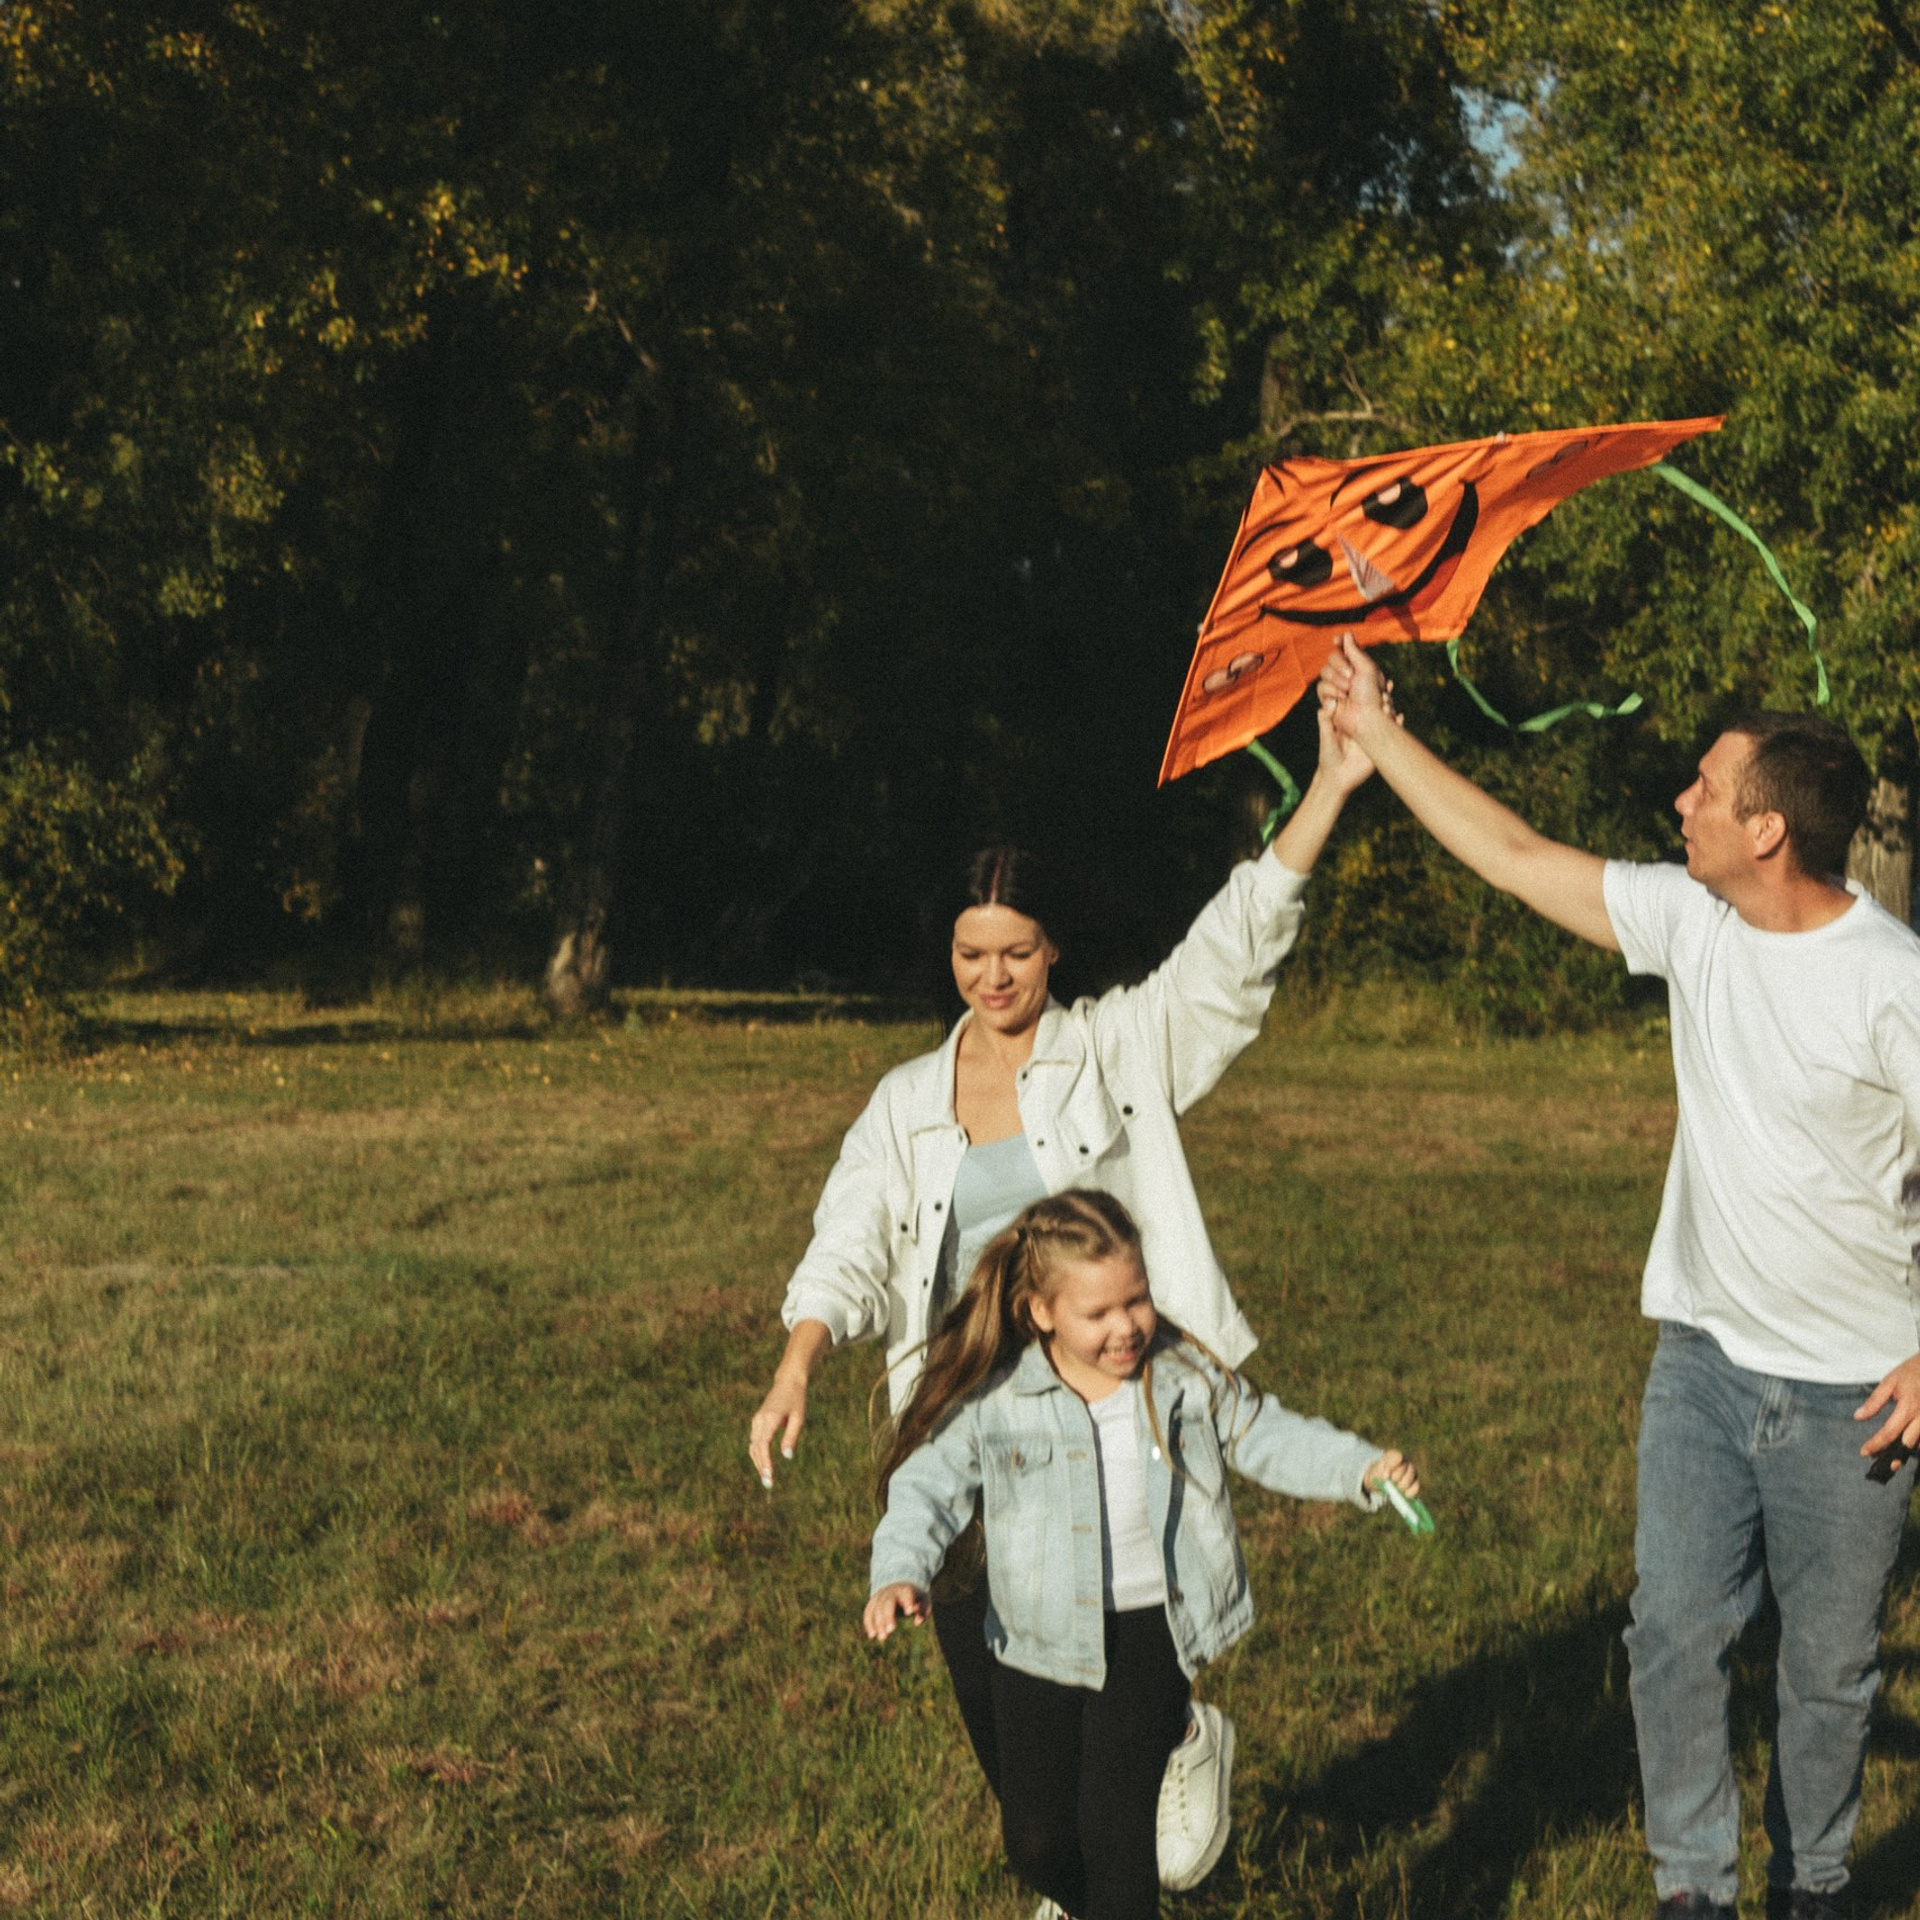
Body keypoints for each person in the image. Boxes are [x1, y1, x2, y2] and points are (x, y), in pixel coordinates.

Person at [1319, 633, 1920, 1920]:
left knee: (1827, 1675)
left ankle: (1812, 1886)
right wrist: (1378, 735)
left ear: (1769, 831)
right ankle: (1691, 1894)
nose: (1681, 803)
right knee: (1672, 1641)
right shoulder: (1692, 919)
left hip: (1853, 1400)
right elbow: (1520, 855)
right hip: (1701, 1366)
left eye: (1706, 788)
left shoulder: (1894, 985)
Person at [748, 702, 1381, 1889]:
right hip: (961, 1411)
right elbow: (850, 1233)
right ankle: (1084, 1858)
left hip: (1100, 1405)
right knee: (993, 1683)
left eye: (1018, 953)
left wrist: (1331, 790)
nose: (993, 978)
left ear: (1055, 950)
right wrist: (801, 1357)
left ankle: (1166, 1751)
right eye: (969, 953)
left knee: (1106, 1642)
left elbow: (1229, 957)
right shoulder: (906, 1098)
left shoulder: (1120, 1049)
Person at [864, 1189, 1421, 1920]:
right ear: (1040, 1313)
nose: (1127, 1327)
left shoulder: (1181, 1376)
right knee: (1037, 1845)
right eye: (1098, 1313)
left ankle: (1163, 1766)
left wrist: (1358, 1469)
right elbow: (925, 1489)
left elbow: (1265, 1433)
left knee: (1117, 1842)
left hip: (1150, 1635)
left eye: (1138, 1300)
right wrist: (899, 1570)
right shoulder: (1000, 1401)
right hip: (1037, 1644)